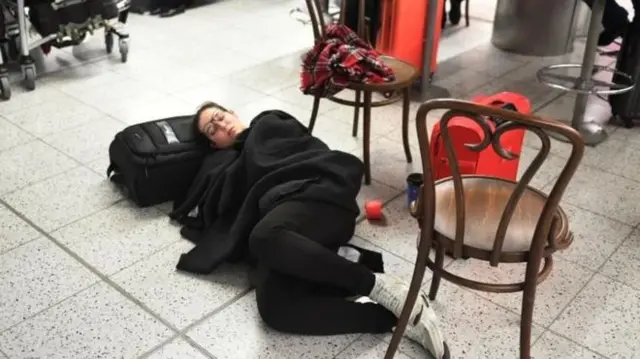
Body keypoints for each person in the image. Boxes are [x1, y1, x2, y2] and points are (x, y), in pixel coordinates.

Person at [172, 102, 449, 359]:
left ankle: (381, 288)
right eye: (213, 129)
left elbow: (306, 153)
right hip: (283, 224)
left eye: (221, 117)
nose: (222, 126)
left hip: (319, 196)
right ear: (214, 143)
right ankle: (394, 319)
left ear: (232, 112)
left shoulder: (269, 122)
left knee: (263, 236)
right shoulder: (229, 161)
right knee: (274, 308)